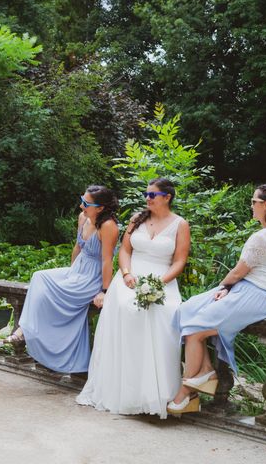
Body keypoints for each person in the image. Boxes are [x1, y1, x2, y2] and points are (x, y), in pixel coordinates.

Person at [168, 183, 266, 414]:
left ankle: (185, 393)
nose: (251, 206)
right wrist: (225, 288)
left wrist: (225, 286)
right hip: (245, 289)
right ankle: (205, 370)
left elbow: (238, 272)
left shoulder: (264, 237)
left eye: (254, 202)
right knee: (187, 310)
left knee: (195, 329)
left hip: (255, 295)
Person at [76, 177, 190, 419]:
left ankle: (155, 395)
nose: (147, 199)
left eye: (152, 195)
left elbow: (179, 260)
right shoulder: (137, 219)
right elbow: (125, 251)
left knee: (162, 313)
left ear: (167, 197)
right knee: (123, 306)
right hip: (130, 276)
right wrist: (127, 274)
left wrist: (160, 283)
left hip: (163, 280)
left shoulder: (180, 224)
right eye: (146, 195)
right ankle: (124, 390)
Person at [7, 186, 119, 373]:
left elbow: (107, 260)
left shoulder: (108, 226)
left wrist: (105, 291)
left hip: (93, 276)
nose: (81, 206)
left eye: (86, 203)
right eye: (81, 200)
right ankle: (25, 328)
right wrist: (70, 272)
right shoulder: (83, 218)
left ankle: (25, 331)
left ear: (100, 208)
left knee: (52, 292)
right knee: (39, 276)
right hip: (77, 269)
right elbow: (77, 247)